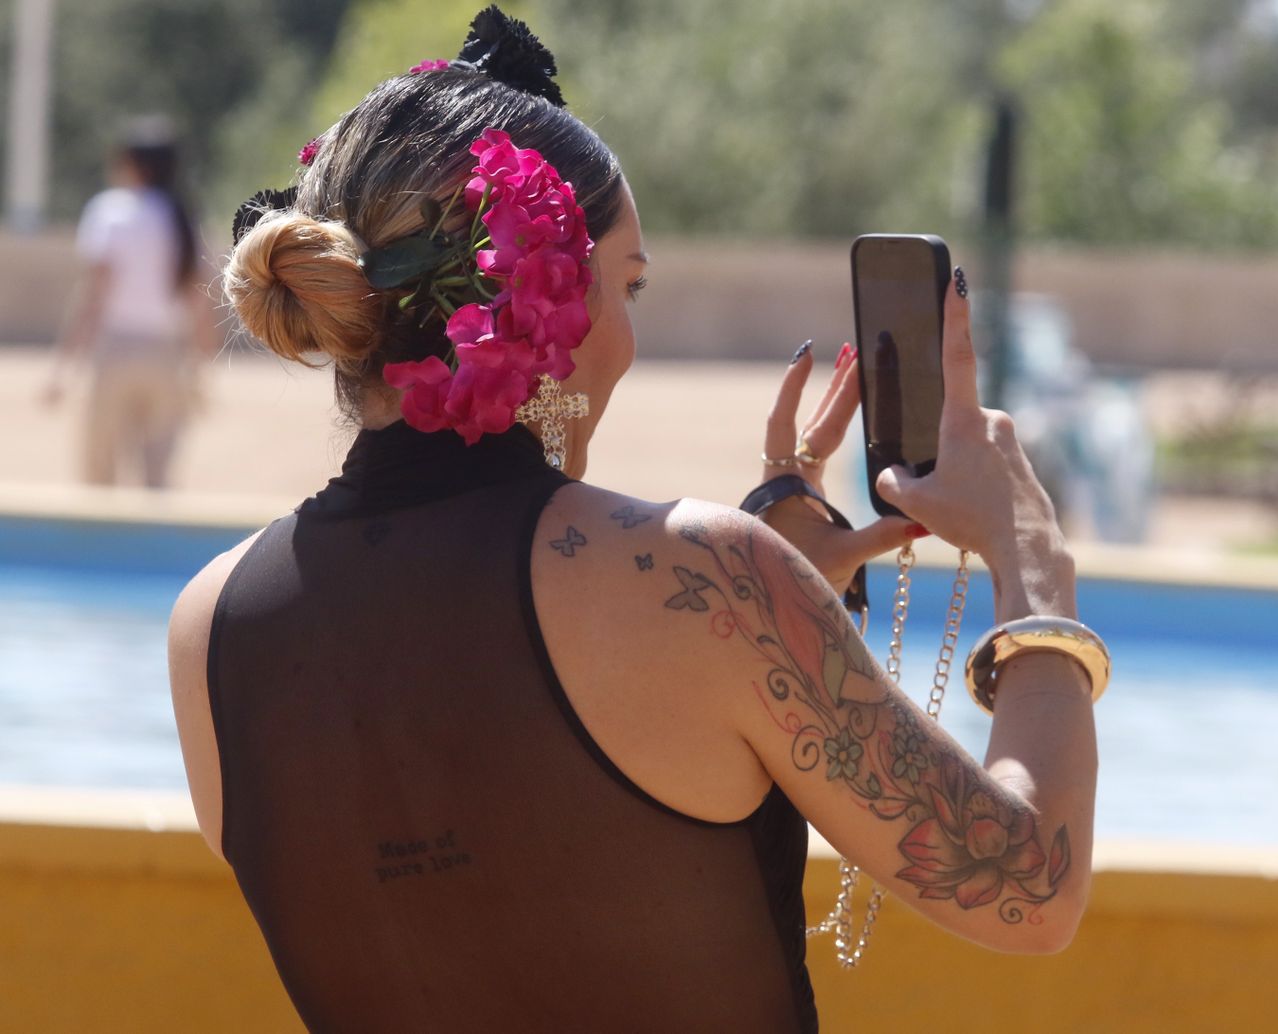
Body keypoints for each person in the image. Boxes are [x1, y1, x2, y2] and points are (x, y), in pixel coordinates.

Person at [167, 11, 1100, 1032]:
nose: (626, 338)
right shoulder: (701, 583)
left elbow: (473, 841)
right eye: (627, 286)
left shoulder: (209, 627)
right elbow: (1027, 885)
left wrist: (784, 596)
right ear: (541, 299)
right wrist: (1031, 571)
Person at [44, 116, 219, 488]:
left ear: (131, 164)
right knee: (157, 482)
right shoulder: (184, 219)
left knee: (99, 476)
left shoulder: (110, 212)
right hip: (169, 356)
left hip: (116, 351)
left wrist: (62, 368)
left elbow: (93, 297)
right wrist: (203, 369)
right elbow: (199, 301)